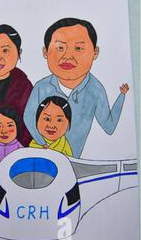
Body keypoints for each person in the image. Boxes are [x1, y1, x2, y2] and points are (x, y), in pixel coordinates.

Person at [23, 18, 129, 158]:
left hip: (74, 166)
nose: (68, 57)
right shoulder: (41, 87)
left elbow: (109, 127)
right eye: (60, 47)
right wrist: (41, 143)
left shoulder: (95, 90)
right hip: (39, 158)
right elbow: (28, 117)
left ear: (95, 53)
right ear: (45, 52)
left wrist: (122, 96)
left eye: (78, 48)